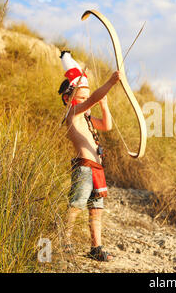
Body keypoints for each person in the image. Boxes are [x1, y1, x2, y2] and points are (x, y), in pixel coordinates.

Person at [58, 51, 119, 262]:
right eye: (80, 97)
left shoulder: (87, 117)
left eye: (86, 97)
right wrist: (109, 84)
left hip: (96, 168)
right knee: (76, 204)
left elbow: (107, 125)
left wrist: (104, 104)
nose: (86, 101)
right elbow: (93, 98)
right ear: (68, 98)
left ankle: (96, 247)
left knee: (96, 208)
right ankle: (64, 241)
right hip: (84, 166)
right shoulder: (72, 114)